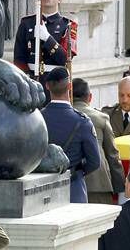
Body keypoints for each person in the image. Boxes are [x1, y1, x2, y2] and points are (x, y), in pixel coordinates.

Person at [40, 67, 100, 203]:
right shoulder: (82, 121)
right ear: (69, 86)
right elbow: (94, 162)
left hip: (42, 191)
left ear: (47, 86)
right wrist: (77, 171)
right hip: (73, 189)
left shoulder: (37, 118)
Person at [13, 0, 77, 87]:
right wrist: (26, 80)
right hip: (30, 82)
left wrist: (47, 38)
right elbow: (19, 59)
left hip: (56, 85)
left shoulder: (68, 26)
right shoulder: (26, 23)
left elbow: (65, 59)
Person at [71, 77, 125, 205]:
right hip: (99, 183)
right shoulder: (101, 117)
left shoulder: (63, 117)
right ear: (89, 97)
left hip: (69, 185)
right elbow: (112, 154)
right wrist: (120, 188)